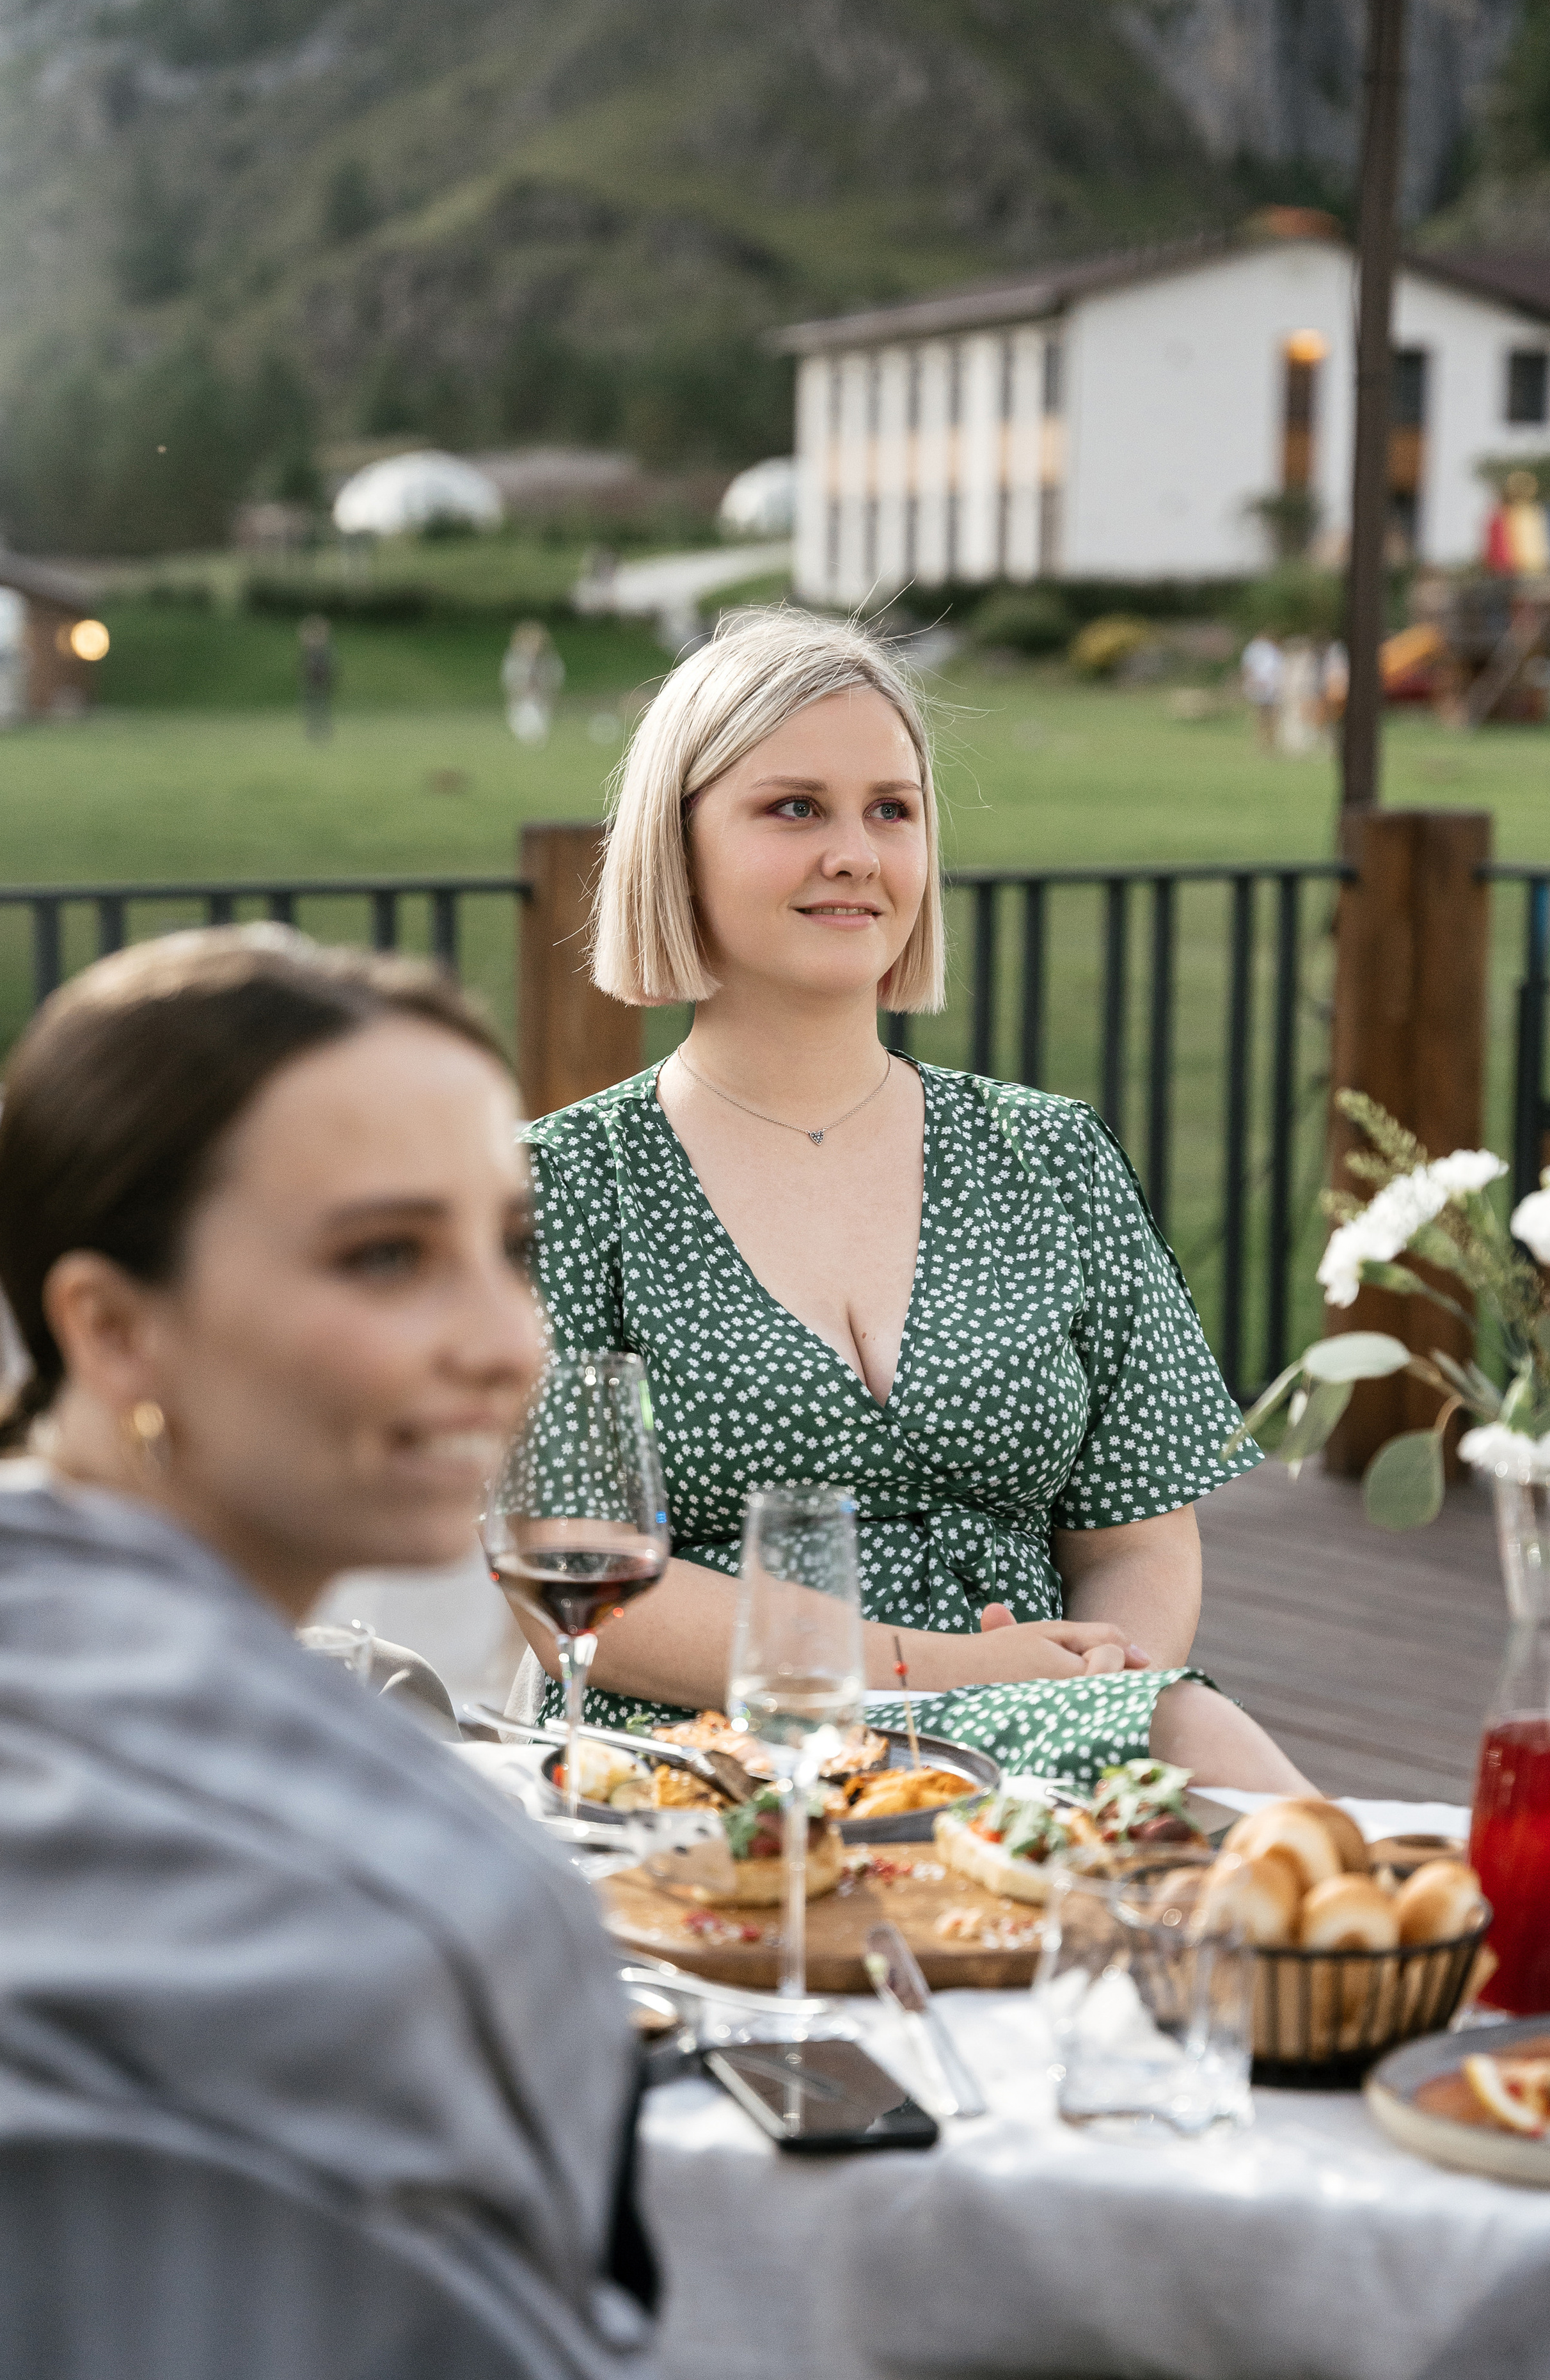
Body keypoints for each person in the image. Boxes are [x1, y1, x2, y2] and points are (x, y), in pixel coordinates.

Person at [0, 927, 668, 2380]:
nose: (504, 1342)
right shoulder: (442, 1906)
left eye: (512, 1246)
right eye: (384, 1255)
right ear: (107, 1323)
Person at [519, 609, 1313, 1797]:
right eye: (795, 808)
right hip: (705, 1762)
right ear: (675, 844)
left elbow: (1140, 1537)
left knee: (1205, 1791)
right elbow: (580, 1593)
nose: (857, 853)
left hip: (1047, 1748)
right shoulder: (566, 1184)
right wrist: (954, 1675)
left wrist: (1095, 1683)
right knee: (1217, 1770)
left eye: (891, 809)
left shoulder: (1052, 1157)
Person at [503, 620, 565, 745]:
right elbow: (511, 683)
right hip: (522, 704)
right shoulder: (515, 661)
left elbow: (555, 680)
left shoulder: (548, 661)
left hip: (540, 703)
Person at [1240, 627, 1283, 750]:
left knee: (1271, 716)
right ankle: (1263, 743)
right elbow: (1248, 667)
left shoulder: (1271, 650)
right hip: (1261, 686)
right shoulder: (1255, 649)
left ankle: (1270, 743)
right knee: (1262, 716)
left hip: (1270, 687)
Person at [297, 612, 335, 742]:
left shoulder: (322, 649)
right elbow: (303, 635)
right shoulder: (310, 649)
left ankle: (323, 734)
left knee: (321, 710)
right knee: (312, 711)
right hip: (311, 684)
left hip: (321, 684)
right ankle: (314, 734)